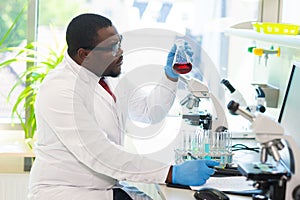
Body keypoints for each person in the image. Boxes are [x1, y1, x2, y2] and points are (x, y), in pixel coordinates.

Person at [28, 13, 219, 200]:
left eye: (119, 42)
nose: (120, 52)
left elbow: (150, 112)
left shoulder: (108, 75)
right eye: (112, 47)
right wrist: (169, 173)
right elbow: (99, 153)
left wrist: (170, 76)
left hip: (104, 187)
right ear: (84, 55)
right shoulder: (59, 89)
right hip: (67, 192)